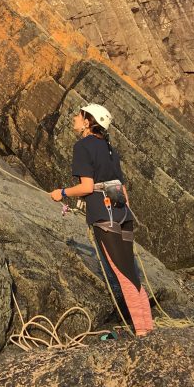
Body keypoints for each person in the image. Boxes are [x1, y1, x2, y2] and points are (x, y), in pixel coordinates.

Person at [49, 103, 154, 336]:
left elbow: (87, 186)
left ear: (88, 122)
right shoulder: (109, 149)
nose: (75, 117)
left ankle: (142, 333)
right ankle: (148, 326)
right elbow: (122, 189)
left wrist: (62, 193)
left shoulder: (83, 146)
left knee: (123, 276)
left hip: (105, 218)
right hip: (122, 215)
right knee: (132, 274)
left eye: (79, 115)